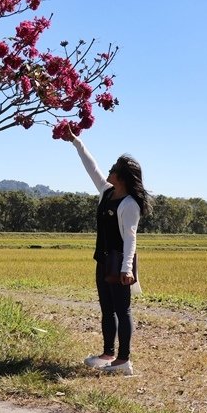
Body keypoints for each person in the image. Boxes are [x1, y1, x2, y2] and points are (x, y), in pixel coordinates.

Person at [67, 130, 152, 376]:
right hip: (103, 259)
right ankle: (107, 354)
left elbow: (131, 238)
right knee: (107, 308)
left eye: (114, 167)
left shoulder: (129, 205)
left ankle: (124, 360)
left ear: (122, 177)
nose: (109, 169)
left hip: (119, 262)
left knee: (122, 310)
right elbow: (90, 167)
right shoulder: (106, 192)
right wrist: (76, 141)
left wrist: (127, 268)